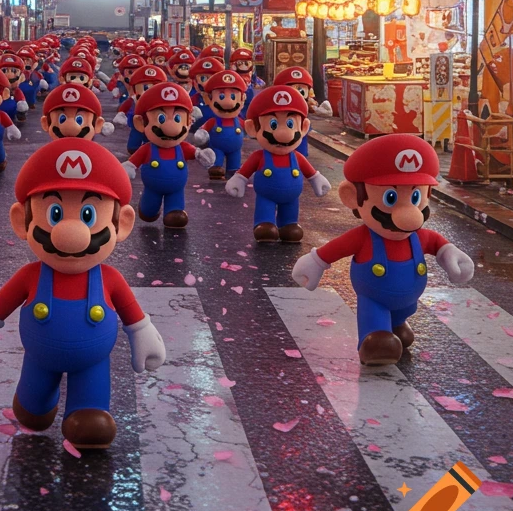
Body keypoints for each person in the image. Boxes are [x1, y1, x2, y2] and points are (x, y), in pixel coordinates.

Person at [0, 139, 165, 449]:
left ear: (121, 224)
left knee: (90, 415)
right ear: (21, 221)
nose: (70, 232)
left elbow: (133, 316)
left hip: (92, 360)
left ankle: (88, 413)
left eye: (88, 215)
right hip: (40, 357)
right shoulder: (30, 276)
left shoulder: (110, 279)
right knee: (32, 411)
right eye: (54, 213)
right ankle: (36, 403)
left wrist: (143, 334)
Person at [292, 136, 474, 366]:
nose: (410, 214)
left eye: (415, 196)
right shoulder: (363, 237)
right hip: (374, 298)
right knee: (376, 322)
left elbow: (439, 246)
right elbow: (337, 248)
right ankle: (375, 339)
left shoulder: (421, 237)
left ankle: (396, 324)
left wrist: (451, 256)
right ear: (352, 196)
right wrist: (316, 261)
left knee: (401, 317)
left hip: (408, 300)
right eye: (391, 198)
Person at [225, 86, 331, 243]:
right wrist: (238, 180)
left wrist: (317, 179)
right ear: (253, 129)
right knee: (265, 212)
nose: (283, 134)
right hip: (266, 195)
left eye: (290, 124)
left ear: (303, 128)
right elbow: (245, 171)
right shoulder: (259, 156)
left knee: (290, 218)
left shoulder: (297, 157)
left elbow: (310, 172)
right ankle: (264, 223)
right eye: (273, 124)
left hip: (291, 197)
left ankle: (288, 225)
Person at [122, 81, 215, 228]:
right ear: (141, 123)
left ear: (188, 121)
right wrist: (128, 168)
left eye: (178, 118)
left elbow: (194, 152)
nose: (171, 128)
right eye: (161, 118)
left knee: (176, 211)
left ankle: (174, 213)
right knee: (149, 211)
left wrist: (201, 155)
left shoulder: (182, 147)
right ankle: (148, 209)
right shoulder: (148, 149)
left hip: (176, 188)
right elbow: (133, 162)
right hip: (152, 187)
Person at [191, 70, 248, 181]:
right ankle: (216, 169)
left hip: (235, 150)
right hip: (217, 148)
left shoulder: (239, 121)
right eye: (221, 96)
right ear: (209, 99)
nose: (228, 103)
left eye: (233, 96)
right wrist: (200, 136)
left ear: (242, 99)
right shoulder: (213, 121)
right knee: (216, 163)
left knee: (234, 165)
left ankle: (232, 172)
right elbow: (203, 130)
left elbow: (249, 128)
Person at [41, 83, 114, 140]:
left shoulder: (98, 156)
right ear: (46, 123)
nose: (70, 126)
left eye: (79, 120)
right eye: (62, 119)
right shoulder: (45, 155)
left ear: (98, 124)